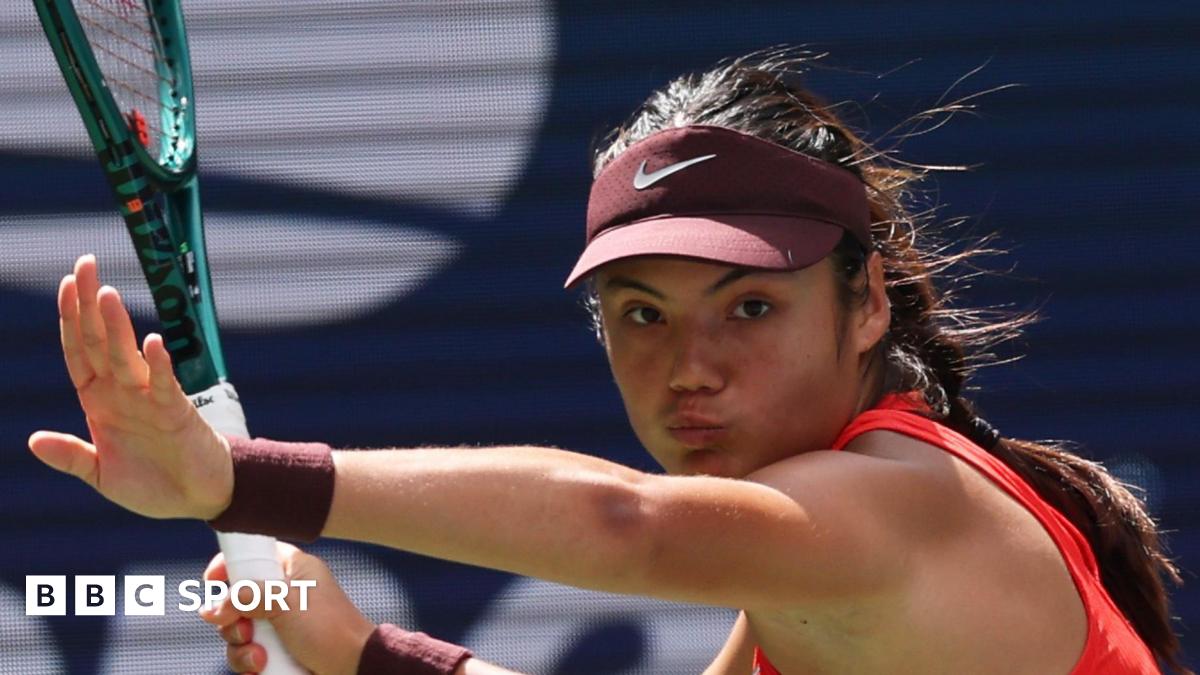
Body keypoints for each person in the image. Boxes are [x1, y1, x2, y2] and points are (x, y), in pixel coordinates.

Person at [28, 49, 1188, 674]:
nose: (690, 366)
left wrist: (233, 480)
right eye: (641, 315)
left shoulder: (902, 505)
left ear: (865, 300)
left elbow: (627, 524)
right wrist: (356, 651)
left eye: (747, 307)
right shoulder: (806, 579)